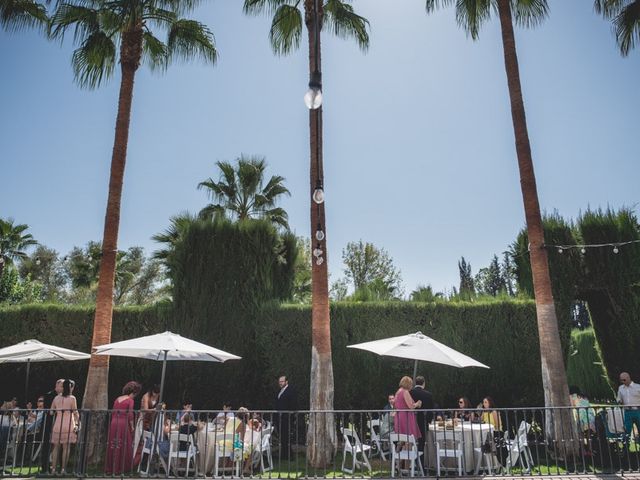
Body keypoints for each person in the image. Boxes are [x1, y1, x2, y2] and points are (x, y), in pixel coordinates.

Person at [105, 381, 142, 475]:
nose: (135, 396)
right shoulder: (130, 400)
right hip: (123, 424)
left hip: (114, 423)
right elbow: (130, 415)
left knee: (114, 444)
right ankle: (120, 467)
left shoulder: (118, 399)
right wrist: (132, 427)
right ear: (134, 392)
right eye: (136, 394)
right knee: (123, 444)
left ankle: (111, 466)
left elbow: (113, 412)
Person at [50, 379, 79, 475]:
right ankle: (63, 469)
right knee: (66, 448)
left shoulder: (56, 398)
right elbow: (75, 412)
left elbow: (51, 411)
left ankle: (53, 469)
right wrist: (78, 423)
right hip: (69, 424)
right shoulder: (72, 398)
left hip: (58, 424)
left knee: (56, 447)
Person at [40, 379, 64, 473]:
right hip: (49, 423)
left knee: (60, 445)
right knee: (47, 445)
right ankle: (45, 467)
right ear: (56, 386)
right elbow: (49, 409)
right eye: (61, 386)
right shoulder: (49, 395)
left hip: (59, 423)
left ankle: (60, 466)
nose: (63, 388)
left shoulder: (65, 396)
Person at [133, 384, 160, 464]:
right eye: (155, 393)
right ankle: (136, 460)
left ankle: (147, 460)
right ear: (152, 391)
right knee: (140, 440)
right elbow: (145, 409)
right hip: (143, 419)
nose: (156, 395)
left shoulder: (158, 396)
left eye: (157, 393)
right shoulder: (146, 396)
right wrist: (155, 410)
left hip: (151, 421)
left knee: (149, 439)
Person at [410, 375, 434, 454]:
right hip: (423, 422)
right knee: (421, 443)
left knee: (411, 441)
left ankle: (411, 462)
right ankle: (421, 464)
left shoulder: (410, 393)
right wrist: (429, 420)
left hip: (411, 421)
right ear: (424, 383)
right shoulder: (428, 394)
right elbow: (431, 409)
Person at [275, 375, 297, 456]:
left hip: (287, 417)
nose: (280, 383)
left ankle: (289, 455)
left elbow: (293, 402)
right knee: (282, 436)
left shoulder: (290, 390)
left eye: (282, 381)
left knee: (286, 436)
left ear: (286, 382)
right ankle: (284, 454)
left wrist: (291, 412)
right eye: (279, 381)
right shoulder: (280, 391)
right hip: (280, 417)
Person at [617, 372, 640, 439]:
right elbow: (619, 398)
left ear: (628, 378)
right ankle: (626, 448)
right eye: (621, 380)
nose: (623, 382)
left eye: (624, 380)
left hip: (638, 411)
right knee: (626, 431)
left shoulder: (638, 387)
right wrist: (619, 401)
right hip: (627, 411)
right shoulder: (621, 388)